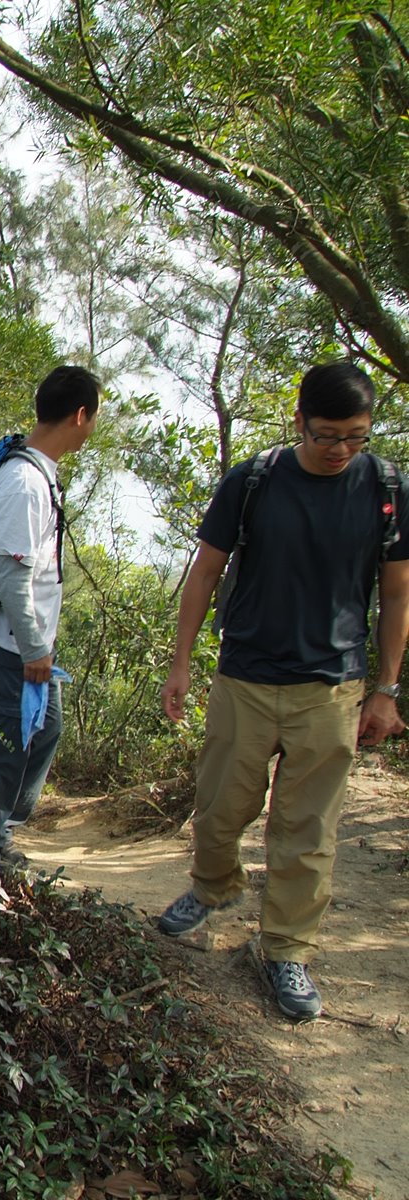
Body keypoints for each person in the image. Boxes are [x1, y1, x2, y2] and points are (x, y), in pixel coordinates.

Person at [158, 361, 409, 1022]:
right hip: (245, 677)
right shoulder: (254, 482)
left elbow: (396, 592)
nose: (341, 449)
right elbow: (206, 573)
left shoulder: (386, 490)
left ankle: (287, 950)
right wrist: (181, 664)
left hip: (331, 688)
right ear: (299, 422)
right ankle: (213, 887)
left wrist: (386, 689)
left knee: (307, 830)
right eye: (327, 434)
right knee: (219, 808)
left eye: (355, 436)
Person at [0, 365, 101, 869]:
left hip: (21, 643)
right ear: (80, 415)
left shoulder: (39, 474)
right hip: (6, 642)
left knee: (43, 731)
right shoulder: (23, 482)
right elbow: (12, 576)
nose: (92, 428)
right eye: (93, 418)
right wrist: (34, 647)